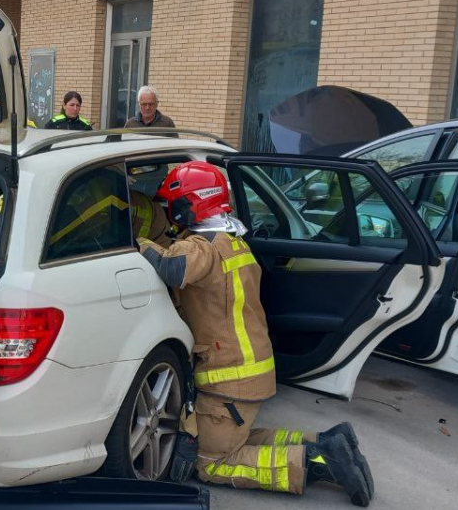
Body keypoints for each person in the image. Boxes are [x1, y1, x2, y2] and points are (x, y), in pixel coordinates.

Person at [137, 162, 374, 506]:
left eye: (175, 205)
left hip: (228, 378)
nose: (171, 213)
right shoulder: (234, 243)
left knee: (213, 463)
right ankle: (327, 441)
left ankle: (317, 463)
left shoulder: (203, 247)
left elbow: (175, 267)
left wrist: (138, 243)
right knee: (237, 437)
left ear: (192, 203)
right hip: (251, 371)